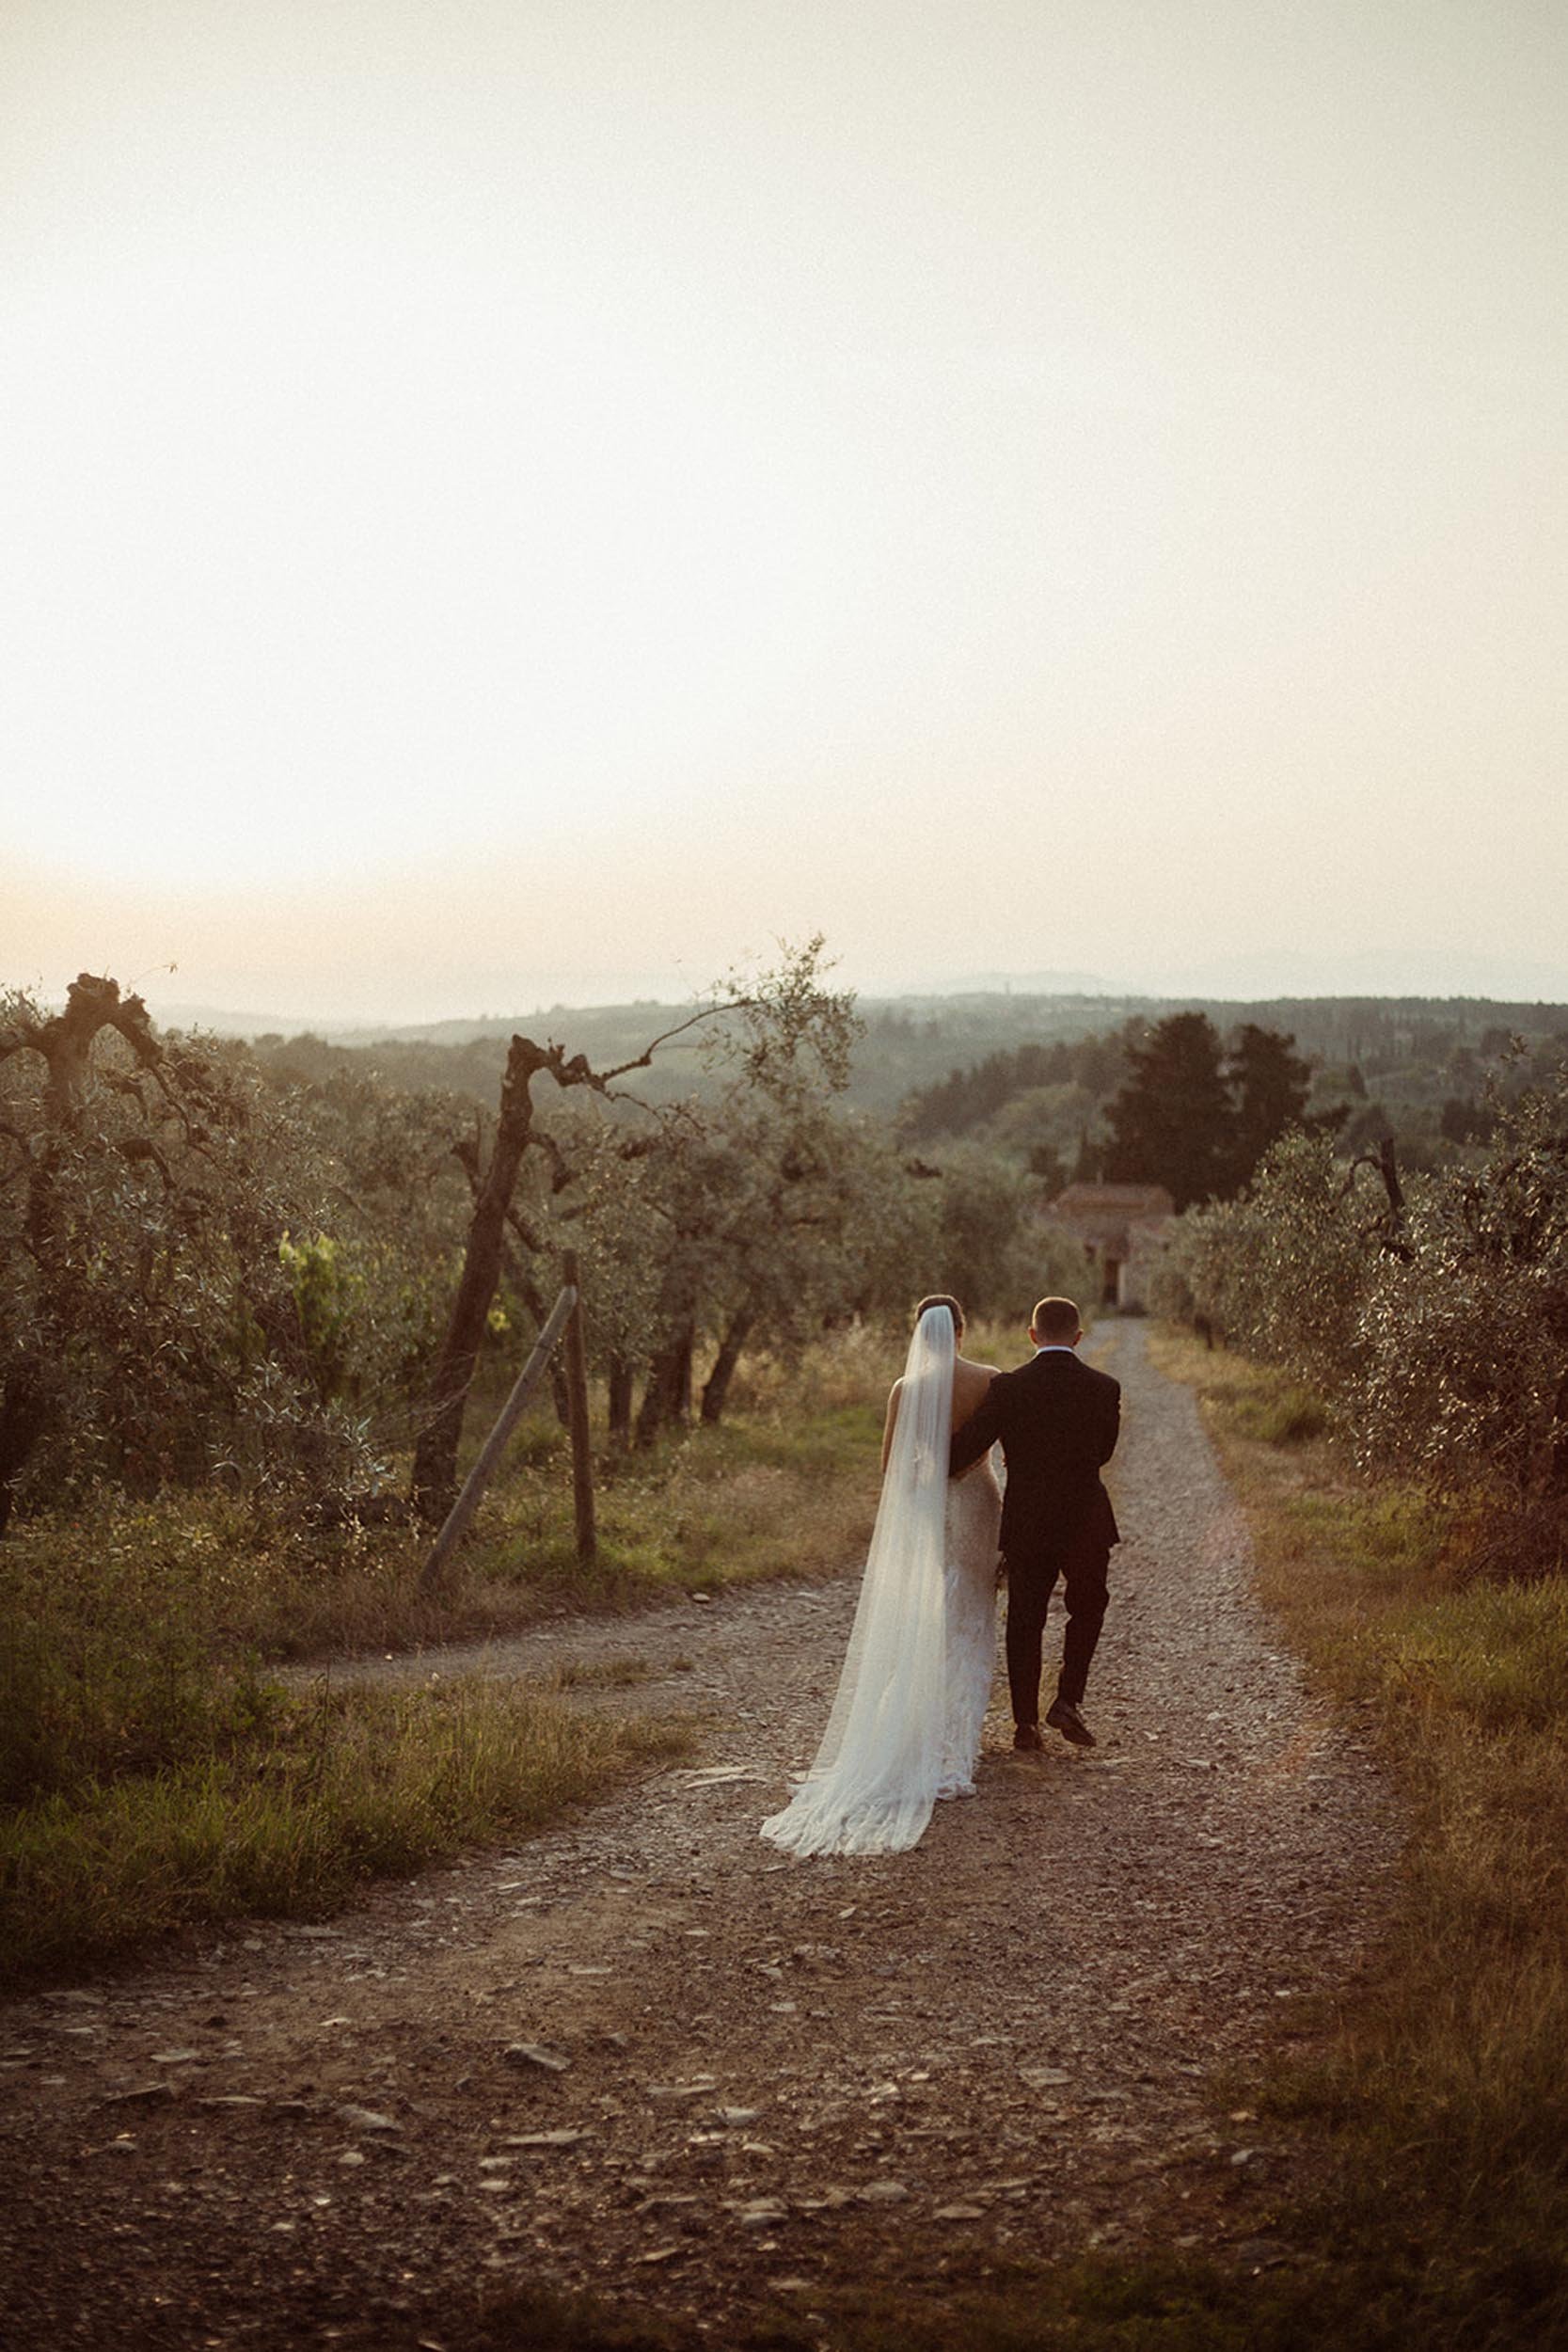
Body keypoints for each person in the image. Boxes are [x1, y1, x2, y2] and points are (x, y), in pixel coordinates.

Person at [759, 1296, 1003, 1856]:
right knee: (970, 1615)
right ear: (962, 1331)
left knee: (926, 1617)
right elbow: (1003, 1453)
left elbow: (889, 1466)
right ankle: (956, 1747)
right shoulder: (991, 1379)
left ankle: (907, 1736)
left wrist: (925, 1482)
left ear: (919, 1333)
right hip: (977, 1505)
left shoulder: (905, 1390)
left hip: (929, 1509)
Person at [948, 1295, 1120, 1750]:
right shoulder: (1105, 1387)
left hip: (1028, 1520)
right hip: (1086, 1518)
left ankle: (1026, 1725)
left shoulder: (1009, 1388)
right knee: (1088, 1608)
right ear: (1078, 1337)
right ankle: (1067, 1700)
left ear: (1032, 1334)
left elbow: (966, 1448)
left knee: (1026, 1618)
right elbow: (1103, 1452)